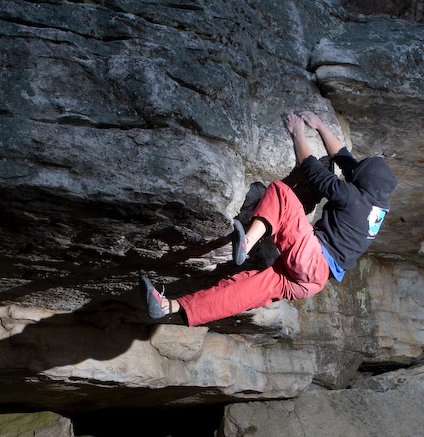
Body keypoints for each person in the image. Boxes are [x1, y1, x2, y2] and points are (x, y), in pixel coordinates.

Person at [140, 110, 398, 327]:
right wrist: (319, 125)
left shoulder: (353, 197)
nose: (352, 170)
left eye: (358, 172)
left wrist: (298, 131)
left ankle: (247, 242)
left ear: (364, 181)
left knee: (282, 194)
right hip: (310, 283)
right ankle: (169, 306)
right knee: (240, 289)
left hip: (311, 259)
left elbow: (312, 169)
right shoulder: (377, 206)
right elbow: (345, 159)